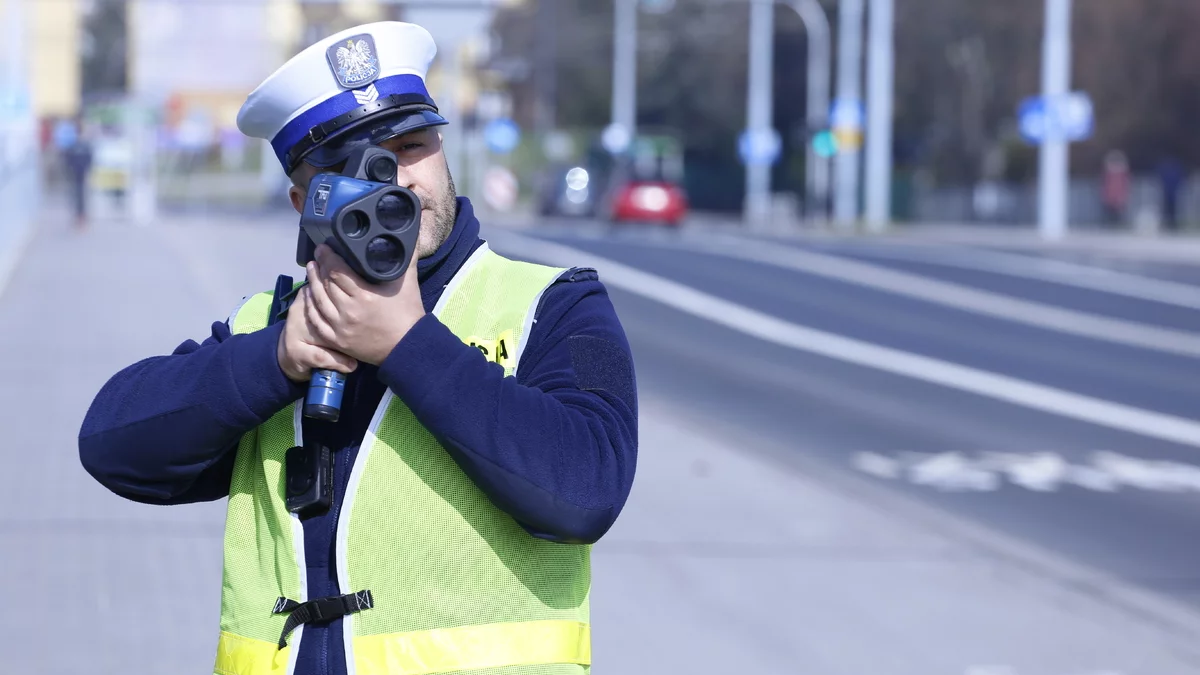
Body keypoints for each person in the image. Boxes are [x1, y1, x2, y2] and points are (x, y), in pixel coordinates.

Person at [78, 21, 638, 675]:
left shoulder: (559, 303)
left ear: (443, 151)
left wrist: (407, 343)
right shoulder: (273, 323)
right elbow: (113, 444)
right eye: (353, 168)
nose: (396, 183)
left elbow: (587, 488)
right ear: (303, 201)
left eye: (412, 145)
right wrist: (279, 359)